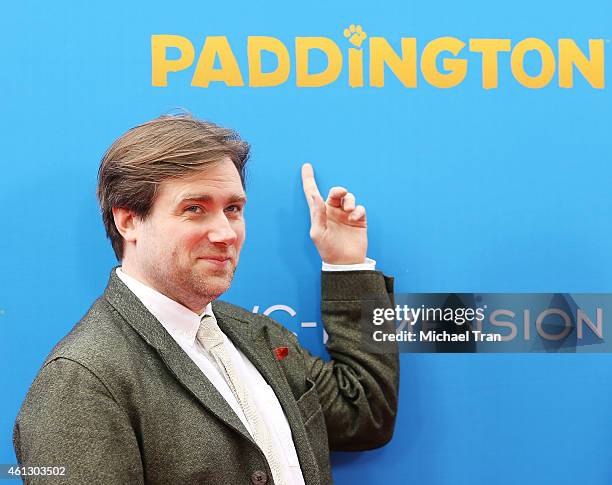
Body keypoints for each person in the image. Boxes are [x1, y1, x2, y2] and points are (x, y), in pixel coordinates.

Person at [13, 114, 399, 484]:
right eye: (194, 209)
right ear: (128, 221)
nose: (225, 233)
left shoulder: (257, 335)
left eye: (233, 209)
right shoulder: (81, 381)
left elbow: (364, 409)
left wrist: (347, 266)